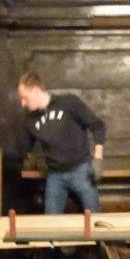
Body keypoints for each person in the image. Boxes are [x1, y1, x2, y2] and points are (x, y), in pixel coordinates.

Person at [16, 71, 106, 214]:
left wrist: (98, 157)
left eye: (25, 98)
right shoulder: (30, 120)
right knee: (51, 222)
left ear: (36, 90)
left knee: (95, 219)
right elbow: (24, 148)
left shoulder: (68, 103)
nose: (23, 103)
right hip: (55, 175)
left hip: (81, 170)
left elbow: (97, 125)